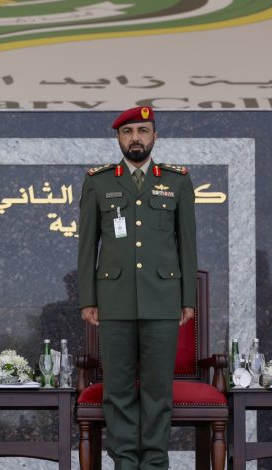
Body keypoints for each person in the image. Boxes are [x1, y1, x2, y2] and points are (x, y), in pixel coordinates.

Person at [77, 106, 197, 469]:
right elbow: (87, 246)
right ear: (118, 138)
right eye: (128, 132)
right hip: (114, 300)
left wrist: (187, 298)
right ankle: (125, 461)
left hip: (162, 299)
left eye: (143, 131)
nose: (136, 138)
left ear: (155, 136)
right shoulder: (99, 181)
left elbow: (187, 244)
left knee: (158, 390)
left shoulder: (177, 181)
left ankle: (156, 462)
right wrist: (88, 299)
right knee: (118, 390)